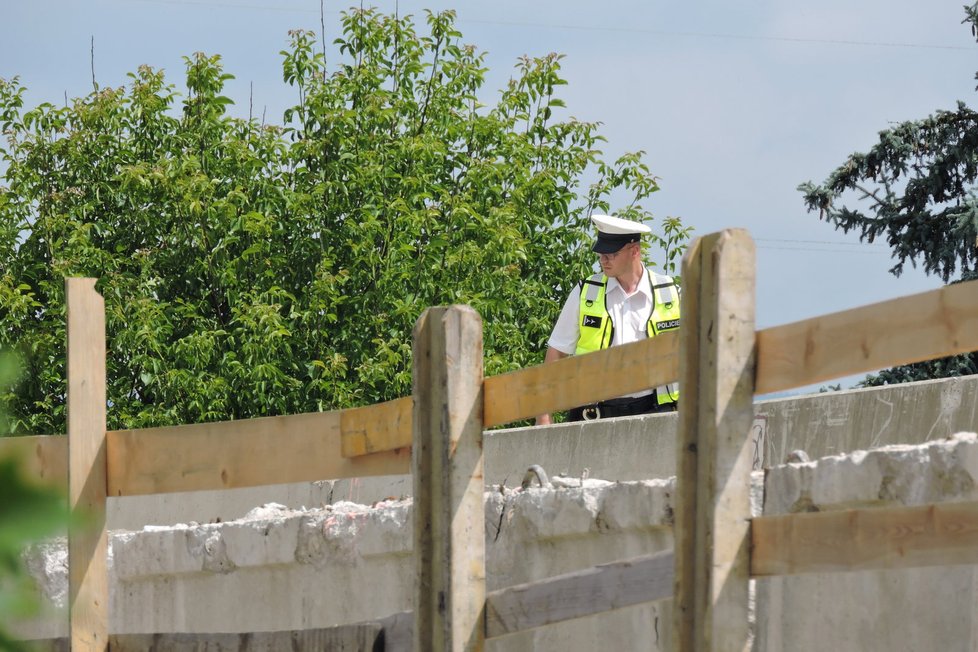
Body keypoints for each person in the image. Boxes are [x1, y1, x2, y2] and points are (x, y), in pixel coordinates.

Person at [535, 214, 680, 425]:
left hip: (655, 411)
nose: (603, 260)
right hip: (592, 413)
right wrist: (543, 415)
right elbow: (556, 353)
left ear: (634, 251)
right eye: (601, 254)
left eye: (611, 254)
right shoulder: (585, 292)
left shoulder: (670, 293)